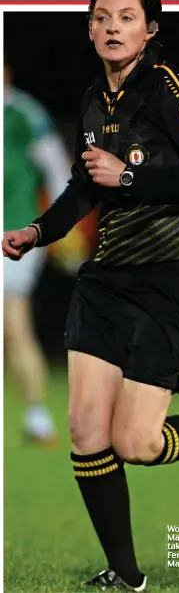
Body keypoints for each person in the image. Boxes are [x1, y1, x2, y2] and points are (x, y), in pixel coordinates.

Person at [2, 0, 179, 590]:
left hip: (173, 282)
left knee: (136, 442)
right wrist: (37, 231)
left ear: (150, 30)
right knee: (84, 430)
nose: (111, 27)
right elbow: (83, 185)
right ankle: (126, 577)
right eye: (101, 17)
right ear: (90, 29)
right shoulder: (93, 101)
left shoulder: (175, 91)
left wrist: (129, 178)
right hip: (106, 283)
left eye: (127, 17)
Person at [3, 58, 71, 443]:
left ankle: (37, 416)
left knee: (14, 324)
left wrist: (52, 227)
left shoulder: (23, 113)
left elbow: (58, 169)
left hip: (12, 233)